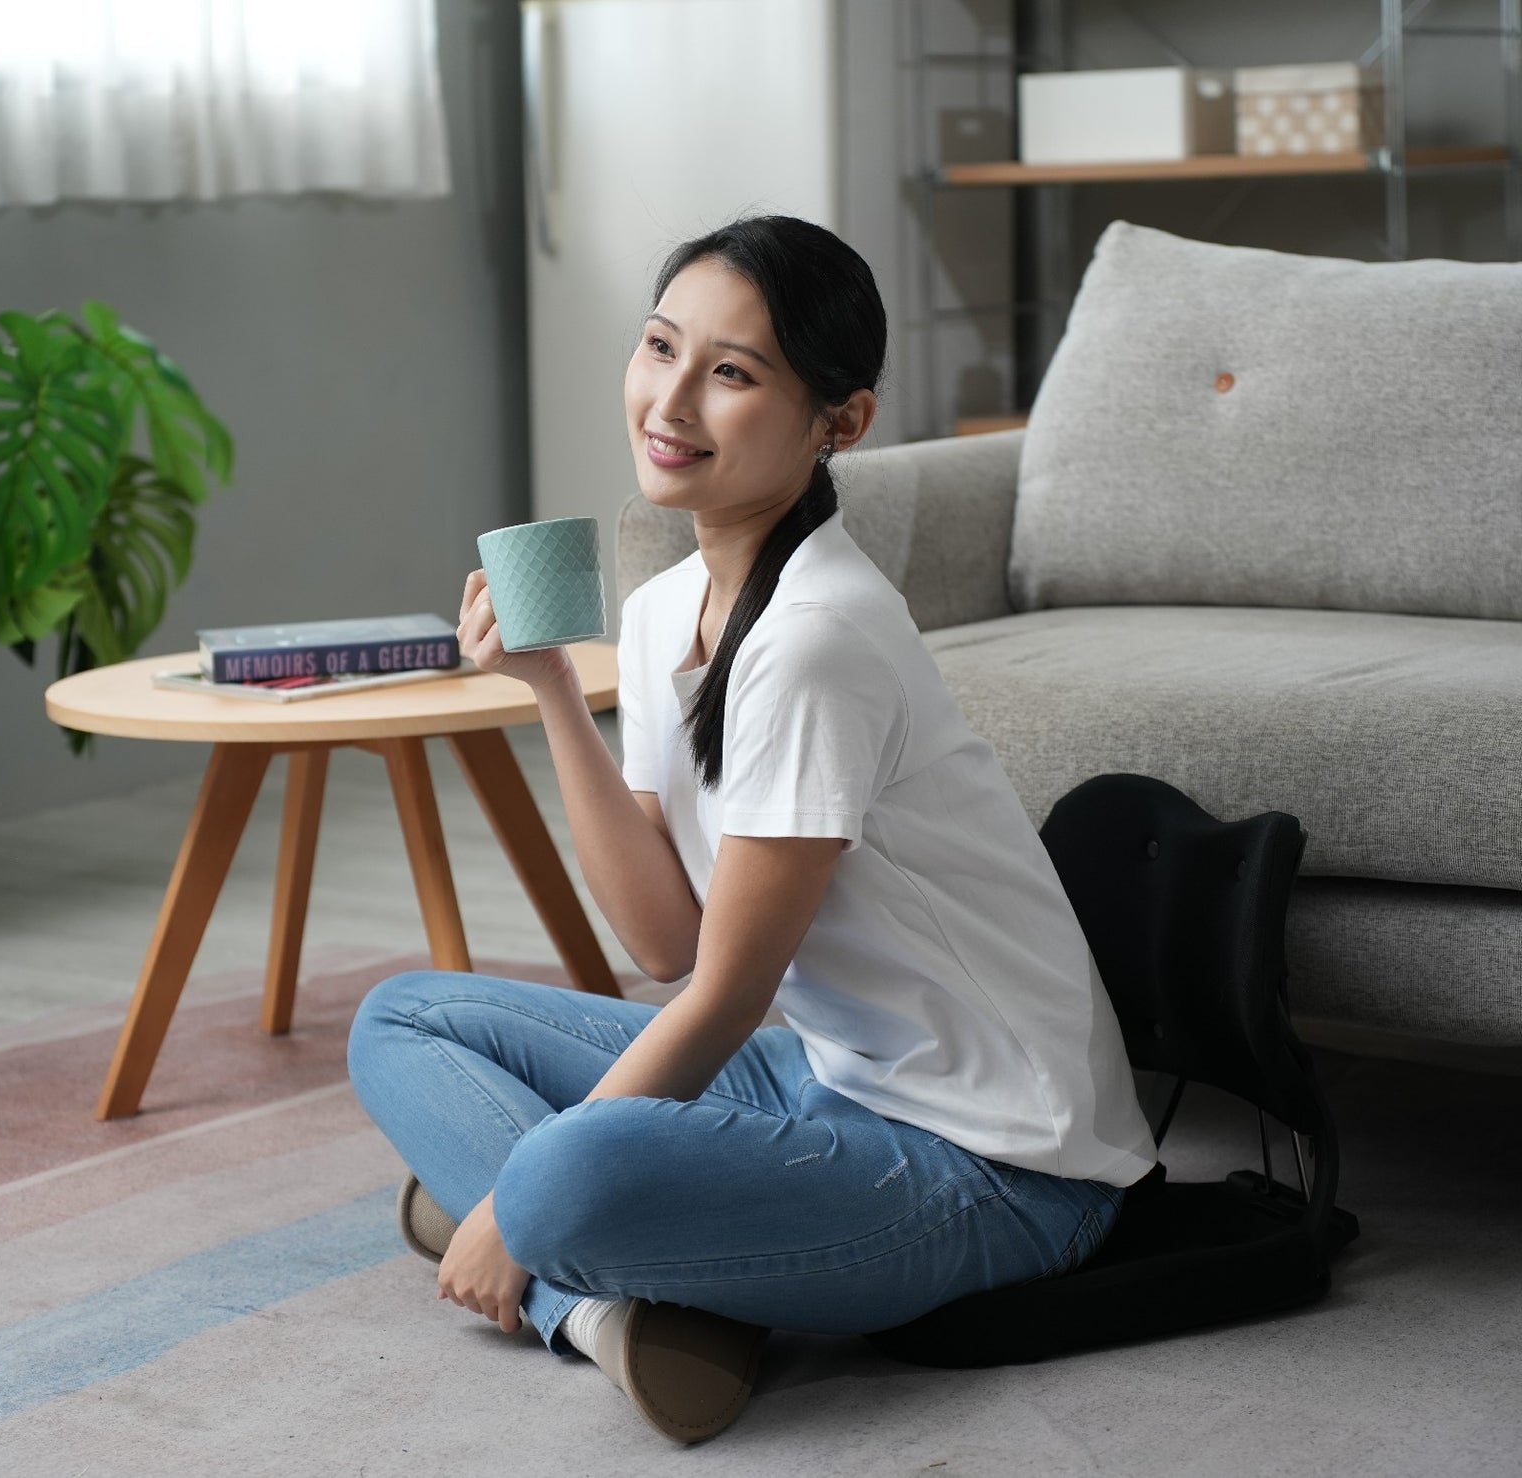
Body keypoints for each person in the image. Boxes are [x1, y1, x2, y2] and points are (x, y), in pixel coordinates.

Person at [345, 215, 1159, 1445]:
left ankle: (555, 1250)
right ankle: (605, 1305)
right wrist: (551, 688)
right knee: (399, 1018)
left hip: (1001, 1164)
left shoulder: (816, 637)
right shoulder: (666, 604)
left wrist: (509, 1206)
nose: (669, 400)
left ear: (841, 419)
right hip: (823, 1075)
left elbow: (720, 994)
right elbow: (660, 940)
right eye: (658, 347)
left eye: (728, 372)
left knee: (555, 1176)